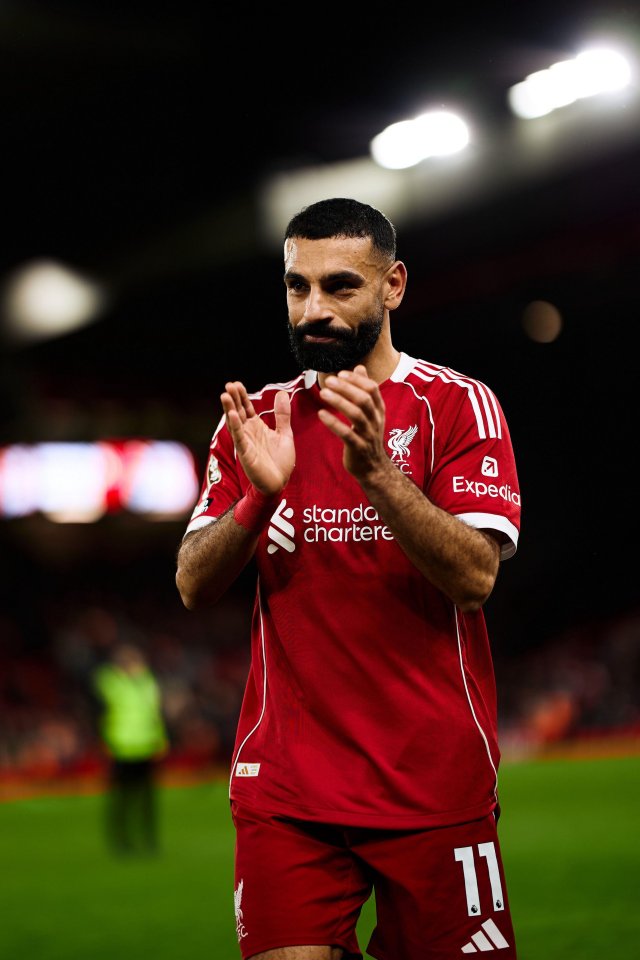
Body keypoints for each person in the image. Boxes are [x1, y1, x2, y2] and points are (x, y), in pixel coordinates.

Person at [175, 198, 521, 959]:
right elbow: (193, 585)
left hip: (431, 781)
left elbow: (474, 577)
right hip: (287, 789)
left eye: (340, 286)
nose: (314, 311)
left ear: (393, 286)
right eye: (297, 287)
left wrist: (378, 474)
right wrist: (257, 499)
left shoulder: (457, 405)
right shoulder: (258, 420)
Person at [93, 641, 168, 855]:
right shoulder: (113, 682)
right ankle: (121, 840)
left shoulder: (148, 683)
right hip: (121, 747)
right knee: (122, 798)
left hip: (146, 745)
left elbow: (154, 713)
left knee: (147, 799)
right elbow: (101, 681)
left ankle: (148, 839)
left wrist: (161, 738)